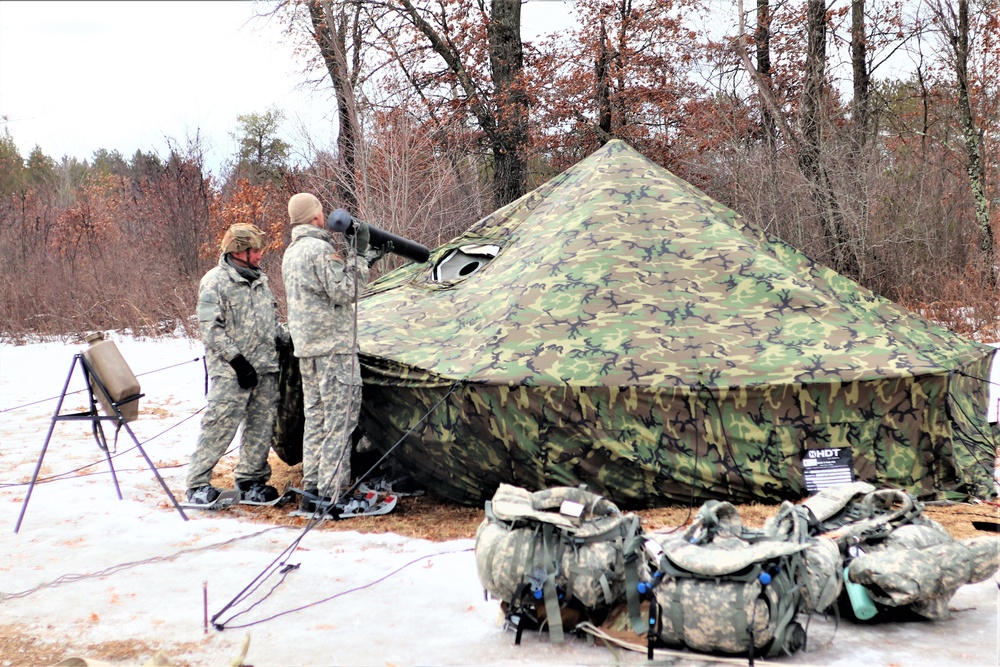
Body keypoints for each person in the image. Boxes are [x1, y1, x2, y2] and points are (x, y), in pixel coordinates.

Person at [282, 193, 377, 512]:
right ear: (314, 217)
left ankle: (313, 489)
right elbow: (346, 291)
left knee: (318, 420)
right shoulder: (320, 251)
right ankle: (333, 494)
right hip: (334, 350)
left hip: (307, 351)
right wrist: (360, 255)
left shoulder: (291, 253)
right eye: (320, 211)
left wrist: (356, 261)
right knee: (340, 420)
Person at [185, 222, 290, 505]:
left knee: (261, 427)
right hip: (233, 372)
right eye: (255, 251)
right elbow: (210, 328)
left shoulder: (260, 281)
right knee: (219, 426)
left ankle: (251, 481)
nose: (259, 256)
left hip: (265, 369)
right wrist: (237, 360)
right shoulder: (214, 281)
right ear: (239, 251)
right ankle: (196, 484)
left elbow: (268, 323)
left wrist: (290, 336)